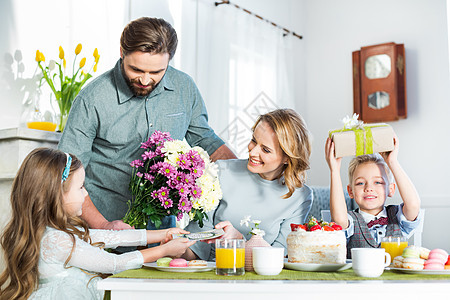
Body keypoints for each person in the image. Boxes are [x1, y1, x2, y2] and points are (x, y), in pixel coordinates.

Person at [58, 17, 236, 231]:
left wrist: (245, 175)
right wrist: (104, 226)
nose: (144, 80)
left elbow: (206, 139)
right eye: (136, 70)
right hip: (103, 228)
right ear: (122, 52)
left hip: (161, 230)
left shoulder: (184, 87)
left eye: (156, 72)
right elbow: (66, 172)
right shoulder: (92, 98)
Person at [0, 148, 196, 300]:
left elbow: (113, 237)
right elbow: (114, 263)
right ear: (56, 194)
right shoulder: (55, 239)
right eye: (81, 187)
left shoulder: (57, 231)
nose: (86, 195)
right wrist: (164, 250)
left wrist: (164, 234)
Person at [183, 109, 313, 260]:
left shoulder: (300, 197)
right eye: (254, 141)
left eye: (265, 150)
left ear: (287, 158)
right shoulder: (221, 171)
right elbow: (195, 249)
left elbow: (278, 259)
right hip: (215, 273)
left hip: (263, 280)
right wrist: (172, 246)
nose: (253, 152)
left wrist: (240, 243)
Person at [325, 136, 423, 258]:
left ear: (390, 189)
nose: (369, 188)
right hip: (358, 277)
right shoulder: (349, 219)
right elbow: (339, 220)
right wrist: (334, 170)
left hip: (395, 277)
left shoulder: (397, 217)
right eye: (360, 183)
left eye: (378, 182)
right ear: (351, 191)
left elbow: (413, 205)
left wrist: (392, 162)